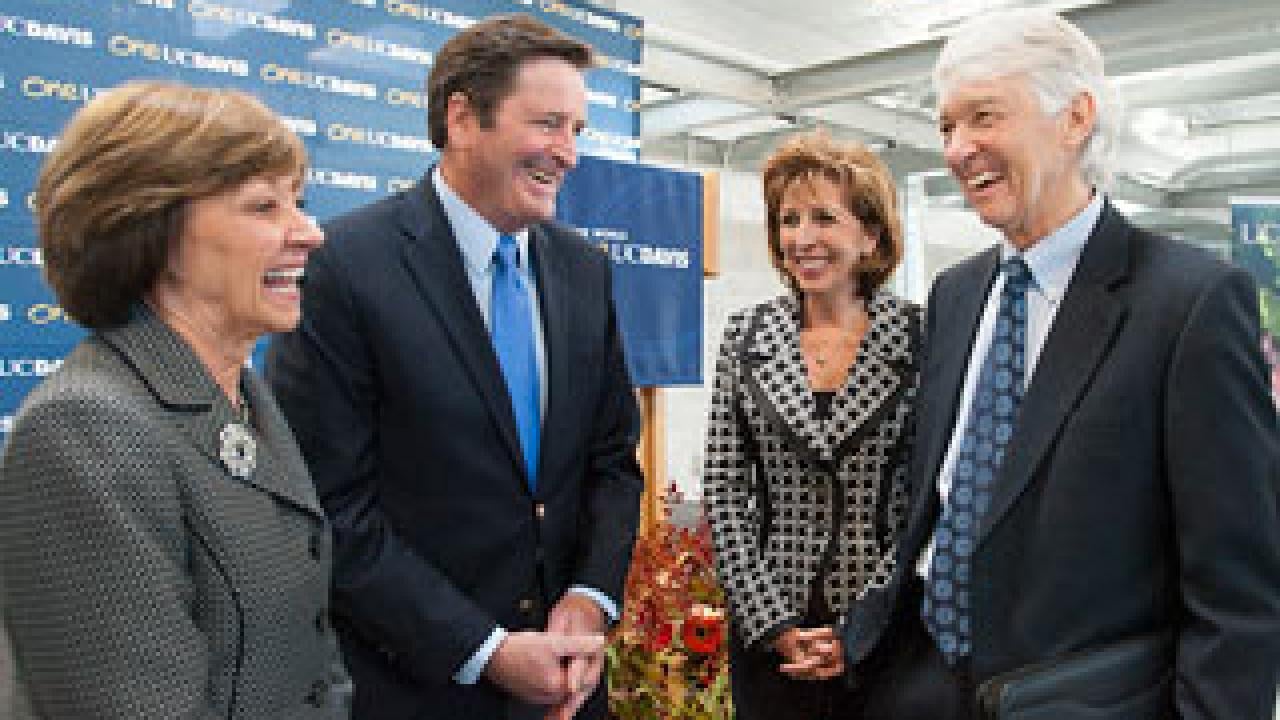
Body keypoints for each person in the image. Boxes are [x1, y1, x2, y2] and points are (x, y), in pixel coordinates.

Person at [841, 9, 1280, 720]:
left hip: (1082, 697)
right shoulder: (955, 294)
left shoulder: (1189, 303)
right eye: (947, 126)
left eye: (984, 116)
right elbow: (941, 497)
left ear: (1076, 118)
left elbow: (1238, 591)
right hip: (920, 679)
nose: (957, 149)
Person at [265, 13, 644, 720]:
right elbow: (330, 511)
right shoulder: (347, 269)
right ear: (464, 117)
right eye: (548, 124)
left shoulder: (584, 270)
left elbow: (613, 463)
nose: (567, 153)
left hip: (567, 692)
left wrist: (591, 597)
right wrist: (487, 650)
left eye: (577, 131)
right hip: (418, 688)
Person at [0, 81, 348, 719]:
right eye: (263, 207)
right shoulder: (86, 427)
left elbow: (310, 654)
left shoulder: (245, 394)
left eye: (297, 202)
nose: (310, 234)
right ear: (151, 229)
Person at [701, 131, 921, 720]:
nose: (802, 238)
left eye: (824, 218)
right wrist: (770, 620)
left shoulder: (923, 337)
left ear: (870, 234)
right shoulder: (745, 337)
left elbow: (927, 495)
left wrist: (860, 626)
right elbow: (724, 490)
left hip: (882, 638)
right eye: (788, 219)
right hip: (770, 640)